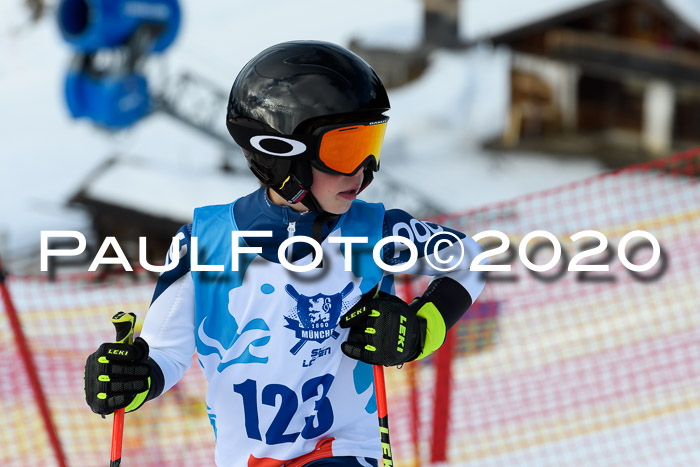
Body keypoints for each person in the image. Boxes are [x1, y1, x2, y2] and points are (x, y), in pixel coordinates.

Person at [84, 40, 485, 466]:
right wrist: (131, 377)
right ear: (280, 154)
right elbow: (166, 351)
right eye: (345, 150)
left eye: (371, 143)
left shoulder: (375, 231)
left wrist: (421, 328)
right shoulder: (207, 242)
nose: (363, 169)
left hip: (345, 450)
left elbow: (470, 258)